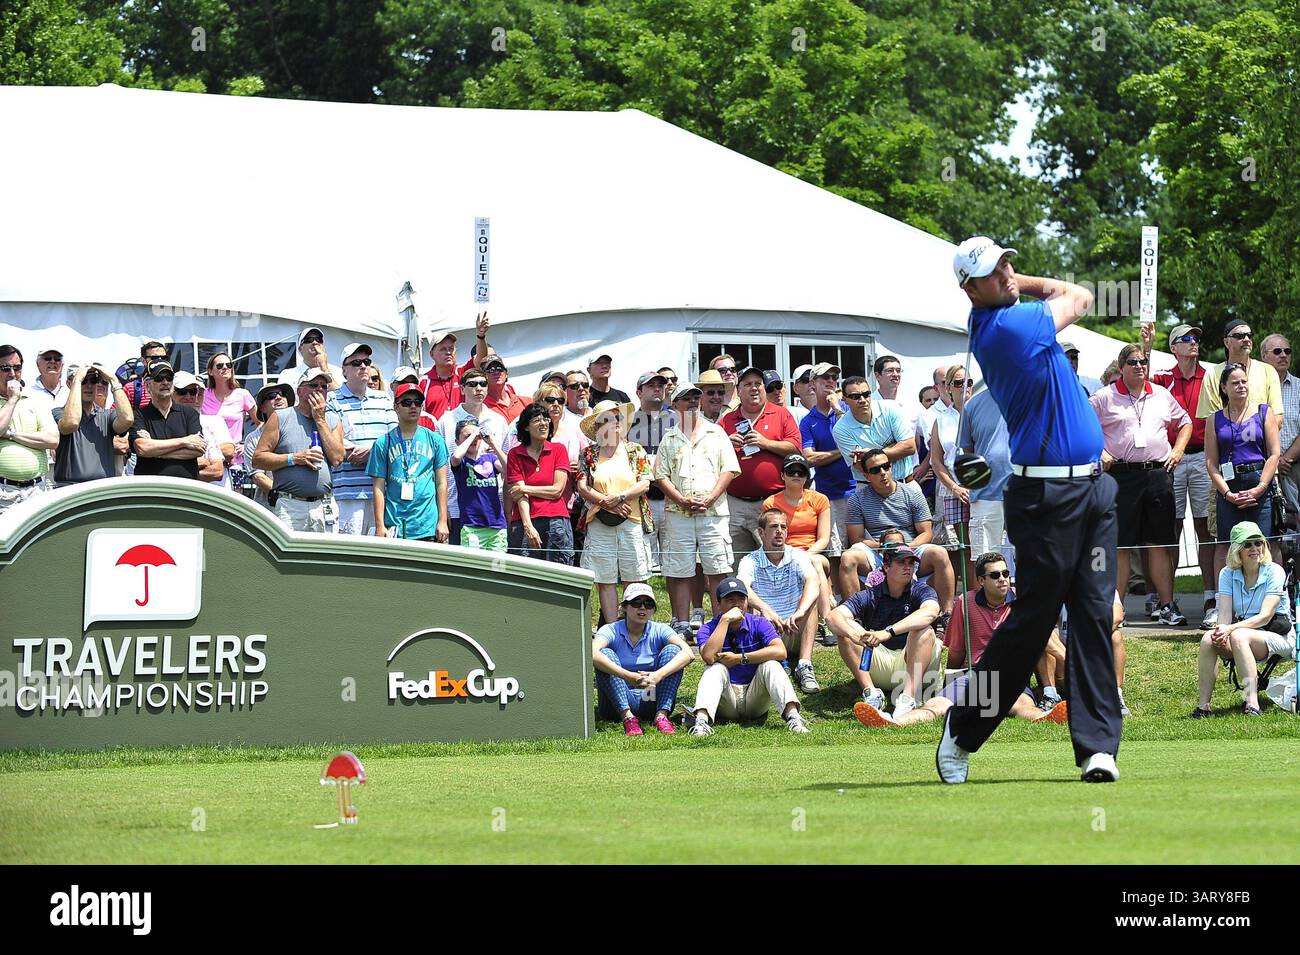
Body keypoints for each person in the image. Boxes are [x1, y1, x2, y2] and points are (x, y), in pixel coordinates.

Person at [939, 235, 1119, 786]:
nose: (1010, 274)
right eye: (996, 272)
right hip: (1045, 500)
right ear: (971, 290)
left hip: (1094, 491)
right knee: (1034, 620)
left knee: (1092, 613)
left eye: (1009, 262)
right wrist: (1026, 286)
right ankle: (963, 729)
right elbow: (1082, 294)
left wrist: (1010, 281)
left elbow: (1056, 294)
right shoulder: (1012, 327)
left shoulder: (1003, 315)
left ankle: (1096, 748)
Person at [857, 551, 1069, 728]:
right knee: (936, 706)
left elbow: (1043, 644)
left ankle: (1046, 715)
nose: (1003, 579)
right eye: (995, 575)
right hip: (974, 676)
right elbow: (957, 649)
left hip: (1011, 677)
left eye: (1005, 573)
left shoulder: (1022, 603)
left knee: (1024, 707)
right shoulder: (965, 603)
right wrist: (951, 679)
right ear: (981, 581)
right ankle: (894, 721)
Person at [1090, 342, 1192, 626]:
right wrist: (1100, 451)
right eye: (1133, 362)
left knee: (1159, 543)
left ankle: (1167, 605)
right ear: (1121, 367)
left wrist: (1178, 450)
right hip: (1121, 476)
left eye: (1143, 362)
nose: (1139, 367)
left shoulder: (1160, 394)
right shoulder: (1104, 397)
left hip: (1158, 474)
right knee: (1121, 545)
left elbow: (1184, 422)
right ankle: (1116, 609)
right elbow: (1081, 428)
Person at [1144, 322, 1217, 629]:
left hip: (1202, 457)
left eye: (1195, 339)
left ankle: (1211, 596)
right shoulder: (1163, 378)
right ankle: (1162, 598)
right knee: (1168, 528)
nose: (1193, 343)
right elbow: (1140, 379)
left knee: (1204, 527)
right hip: (1169, 459)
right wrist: (1145, 348)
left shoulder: (1210, 376)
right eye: (1186, 339)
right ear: (1173, 348)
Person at [654, 381, 741, 635]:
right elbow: (660, 475)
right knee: (679, 569)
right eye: (686, 397)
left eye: (695, 397)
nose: (692, 401)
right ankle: (681, 623)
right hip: (678, 514)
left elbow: (729, 469)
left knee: (717, 567)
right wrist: (681, 500)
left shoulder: (717, 433)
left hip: (713, 513)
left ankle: (719, 624)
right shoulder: (669, 439)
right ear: (675, 404)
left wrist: (711, 497)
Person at [1193, 521, 1295, 717]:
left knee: (1239, 636)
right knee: (1208, 639)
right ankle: (1203, 707)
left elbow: (1265, 616)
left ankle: (1252, 703)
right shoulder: (1227, 574)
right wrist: (1220, 630)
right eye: (1247, 544)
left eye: (1258, 543)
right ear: (1237, 550)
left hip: (1278, 636)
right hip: (1243, 635)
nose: (1254, 548)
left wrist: (1229, 630)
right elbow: (1224, 615)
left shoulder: (1275, 571)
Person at [839, 448, 955, 621]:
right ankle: (853, 617)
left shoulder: (913, 493)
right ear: (866, 475)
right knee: (848, 558)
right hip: (878, 551)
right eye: (875, 470)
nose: (883, 473)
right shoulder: (857, 499)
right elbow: (857, 539)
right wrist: (883, 547)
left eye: (886, 466)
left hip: (910, 547)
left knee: (940, 553)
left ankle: (947, 614)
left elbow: (926, 532)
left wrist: (904, 549)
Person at [827, 543, 941, 717]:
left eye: (911, 563)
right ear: (886, 567)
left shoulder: (921, 590)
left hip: (916, 664)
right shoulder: (870, 594)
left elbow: (931, 612)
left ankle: (907, 699)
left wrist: (888, 632)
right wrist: (856, 636)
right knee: (844, 630)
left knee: (925, 630)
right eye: (902, 562)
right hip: (881, 663)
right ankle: (871, 694)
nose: (908, 567)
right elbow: (832, 617)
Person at [689, 578, 811, 735]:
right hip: (727, 700)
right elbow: (709, 657)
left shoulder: (759, 623)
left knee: (772, 665)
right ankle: (701, 723)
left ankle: (794, 719)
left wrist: (741, 658)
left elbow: (780, 652)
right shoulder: (708, 628)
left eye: (741, 599)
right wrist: (725, 620)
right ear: (718, 604)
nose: (737, 604)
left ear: (747, 601)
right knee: (715, 668)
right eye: (730, 600)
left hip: (755, 698)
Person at [577, 400, 653, 624]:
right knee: (604, 578)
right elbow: (582, 486)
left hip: (632, 520)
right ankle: (611, 629)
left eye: (618, 418)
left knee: (635, 576)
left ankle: (634, 625)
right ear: (599, 426)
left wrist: (619, 498)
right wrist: (606, 502)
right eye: (608, 419)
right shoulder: (588, 453)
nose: (616, 423)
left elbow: (645, 483)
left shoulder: (635, 450)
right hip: (600, 521)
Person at [1205, 362, 1281, 573]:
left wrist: (1260, 487)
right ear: (1224, 387)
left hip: (1260, 481)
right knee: (1225, 543)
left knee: (1267, 541)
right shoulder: (1215, 419)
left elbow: (1274, 453)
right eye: (1235, 382)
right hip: (1229, 486)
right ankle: (1224, 599)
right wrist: (1227, 493)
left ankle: (1275, 596)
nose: (1241, 386)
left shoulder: (1263, 412)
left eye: (1244, 381)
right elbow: (1211, 462)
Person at [720, 366, 802, 561]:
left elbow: (796, 447)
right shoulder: (727, 420)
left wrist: (766, 443)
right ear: (738, 390)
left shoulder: (781, 414)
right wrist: (725, 444)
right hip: (735, 502)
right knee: (736, 562)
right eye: (748, 384)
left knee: (776, 558)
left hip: (771, 501)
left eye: (758, 384)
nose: (754, 388)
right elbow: (711, 454)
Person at [737, 508, 822, 692]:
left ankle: (805, 665)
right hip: (767, 630)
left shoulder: (797, 555)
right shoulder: (749, 561)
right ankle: (775, 661)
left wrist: (800, 612)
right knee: (752, 607)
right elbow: (743, 587)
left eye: (783, 527)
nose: (780, 531)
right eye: (774, 526)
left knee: (811, 603)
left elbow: (813, 581)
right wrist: (766, 609)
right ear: (761, 532)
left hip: (795, 626)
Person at [592, 583, 695, 735]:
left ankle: (661, 716)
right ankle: (627, 718)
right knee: (605, 654)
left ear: (653, 609)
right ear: (625, 607)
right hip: (615, 702)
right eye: (636, 603)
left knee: (673, 651)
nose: (642, 608)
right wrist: (628, 676)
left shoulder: (660, 629)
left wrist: (657, 675)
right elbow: (592, 653)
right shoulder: (610, 630)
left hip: (649, 696)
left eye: (648, 604)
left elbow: (688, 653)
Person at [253, 368, 347, 532]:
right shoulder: (281, 417)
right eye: (313, 385)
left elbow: (338, 458)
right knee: (290, 557)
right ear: (300, 391)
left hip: (324, 505)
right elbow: (258, 458)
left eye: (323, 386)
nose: (319, 389)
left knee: (325, 556)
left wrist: (320, 419)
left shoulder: (332, 419)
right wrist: (294, 458)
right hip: (290, 505)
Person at [326, 343, 397, 535]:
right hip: (347, 494)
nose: (363, 366)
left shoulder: (383, 399)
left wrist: (370, 452)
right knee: (350, 556)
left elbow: (394, 440)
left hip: (382, 492)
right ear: (344, 370)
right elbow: (336, 443)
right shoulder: (332, 399)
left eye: (366, 361)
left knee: (382, 556)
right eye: (356, 362)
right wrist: (377, 450)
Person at [367, 383, 450, 542]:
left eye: (417, 402)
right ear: (396, 406)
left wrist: (442, 521)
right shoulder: (383, 443)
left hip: (427, 524)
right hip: (395, 524)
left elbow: (441, 483)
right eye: (407, 402)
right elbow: (378, 487)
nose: (413, 406)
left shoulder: (435, 440)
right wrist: (379, 525)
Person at [799, 362, 854, 597]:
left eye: (834, 377)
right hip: (829, 494)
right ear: (813, 384)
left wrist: (839, 411)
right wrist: (842, 452)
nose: (831, 381)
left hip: (857, 489)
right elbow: (809, 458)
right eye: (825, 378)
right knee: (834, 551)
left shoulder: (848, 411)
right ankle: (839, 599)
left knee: (859, 548)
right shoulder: (807, 421)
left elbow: (857, 438)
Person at [762, 453, 834, 631]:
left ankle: (826, 621)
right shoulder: (771, 502)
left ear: (807, 476)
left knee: (815, 563)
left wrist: (804, 555)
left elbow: (824, 539)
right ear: (782, 475)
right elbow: (770, 537)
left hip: (813, 553)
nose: (796, 475)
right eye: (791, 471)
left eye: (801, 472)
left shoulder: (820, 499)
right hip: (782, 555)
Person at [505, 403, 574, 563]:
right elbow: (519, 496)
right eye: (537, 420)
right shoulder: (515, 454)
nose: (543, 423)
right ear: (526, 427)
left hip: (556, 519)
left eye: (546, 419)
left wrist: (525, 488)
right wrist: (528, 526)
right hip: (525, 520)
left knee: (559, 572)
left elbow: (557, 490)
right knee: (524, 574)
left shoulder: (558, 449)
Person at [956, 384, 1015, 573]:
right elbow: (968, 451)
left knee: (1031, 556)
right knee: (986, 562)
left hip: (1026, 493)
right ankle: (987, 603)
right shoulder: (972, 405)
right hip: (985, 493)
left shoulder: (1031, 401)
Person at [627, 370, 677, 575]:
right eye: (651, 385)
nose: (658, 388)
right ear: (639, 392)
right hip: (642, 498)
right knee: (644, 558)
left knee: (672, 557)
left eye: (661, 385)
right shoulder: (628, 421)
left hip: (671, 497)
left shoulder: (678, 419)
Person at [930, 365, 975, 583]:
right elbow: (936, 461)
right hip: (954, 488)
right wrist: (954, 487)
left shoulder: (981, 411)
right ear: (948, 387)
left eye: (968, 382)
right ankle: (970, 594)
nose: (964, 387)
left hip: (983, 486)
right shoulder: (941, 420)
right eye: (958, 382)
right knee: (963, 546)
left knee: (985, 542)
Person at [53, 364, 133, 485]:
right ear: (70, 384)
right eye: (84, 381)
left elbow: (127, 419)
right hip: (69, 489)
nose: (89, 385)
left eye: (94, 380)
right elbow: (71, 423)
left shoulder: (107, 415)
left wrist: (113, 380)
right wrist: (77, 380)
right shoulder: (59, 412)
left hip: (101, 489)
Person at [832, 375, 916, 484]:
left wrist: (872, 454)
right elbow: (863, 466)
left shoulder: (891, 408)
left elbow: (909, 447)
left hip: (906, 483)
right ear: (845, 399)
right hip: (869, 489)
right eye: (855, 396)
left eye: (866, 394)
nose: (862, 400)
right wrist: (894, 446)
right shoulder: (840, 429)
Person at [1196, 319, 1283, 424]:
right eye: (1239, 336)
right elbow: (1209, 419)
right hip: (1226, 438)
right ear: (1226, 342)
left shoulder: (1268, 371)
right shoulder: (1213, 374)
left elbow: (1277, 417)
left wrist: (1254, 435)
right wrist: (1237, 436)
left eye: (1249, 335)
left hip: (1261, 439)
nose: (1246, 339)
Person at [130, 362, 206, 481]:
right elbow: (142, 448)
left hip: (185, 488)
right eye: (159, 378)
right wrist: (185, 441)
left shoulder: (189, 414)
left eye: (169, 378)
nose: (165, 382)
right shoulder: (139, 415)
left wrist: (154, 451)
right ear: (147, 385)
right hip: (150, 487)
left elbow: (198, 449)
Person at [420, 313, 492, 420]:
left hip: (465, 433)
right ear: (431, 354)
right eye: (443, 349)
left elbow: (482, 359)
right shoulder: (423, 382)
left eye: (451, 349)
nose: (448, 352)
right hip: (436, 434)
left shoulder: (464, 371)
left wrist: (480, 336)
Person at [1260, 333, 1300, 526]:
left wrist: (1285, 459)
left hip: (1295, 467)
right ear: (1263, 355)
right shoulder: (1254, 388)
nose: (1283, 355)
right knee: (1272, 526)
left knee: (1297, 523)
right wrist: (1274, 460)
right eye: (1277, 351)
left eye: (1287, 351)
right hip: (1263, 467)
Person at [202, 351, 256, 492]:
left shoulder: (242, 394)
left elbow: (262, 423)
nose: (225, 368)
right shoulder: (203, 395)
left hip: (235, 462)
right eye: (219, 365)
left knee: (236, 501)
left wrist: (246, 445)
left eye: (229, 365)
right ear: (210, 371)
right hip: (210, 460)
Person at [450, 418, 507, 550]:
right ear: (457, 441)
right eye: (467, 436)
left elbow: (509, 468)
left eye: (477, 436)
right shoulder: (462, 462)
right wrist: (474, 433)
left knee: (497, 568)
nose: (474, 439)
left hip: (496, 525)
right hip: (472, 526)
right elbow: (456, 457)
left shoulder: (490, 458)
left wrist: (493, 444)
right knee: (474, 568)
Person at [173, 371, 234, 486]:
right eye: (182, 392)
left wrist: (177, 466)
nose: (188, 397)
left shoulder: (214, 421)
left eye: (193, 392)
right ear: (172, 393)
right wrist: (201, 461)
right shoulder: (161, 423)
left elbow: (227, 455)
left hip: (216, 493)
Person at [244, 383, 293, 508]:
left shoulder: (301, 430)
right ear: (262, 408)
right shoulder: (253, 439)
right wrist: (287, 497)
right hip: (270, 507)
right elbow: (259, 477)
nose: (278, 398)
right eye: (271, 396)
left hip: (301, 504)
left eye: (282, 394)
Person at [277, 327, 344, 390]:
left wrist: (324, 368)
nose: (315, 342)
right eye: (309, 339)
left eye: (319, 339)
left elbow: (340, 399)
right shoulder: (287, 375)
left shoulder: (338, 372)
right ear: (300, 349)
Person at [482, 355, 531, 424]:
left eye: (500, 369)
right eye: (491, 370)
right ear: (483, 376)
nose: (496, 372)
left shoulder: (527, 402)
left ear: (506, 374)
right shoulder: (480, 407)